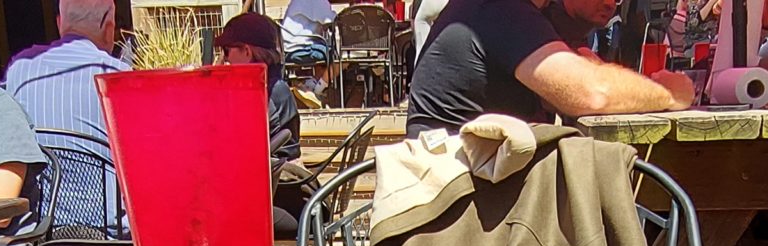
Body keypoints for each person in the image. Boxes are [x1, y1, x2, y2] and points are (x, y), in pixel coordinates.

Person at [405, 0, 692, 136]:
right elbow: (591, 93)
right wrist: (669, 93)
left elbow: (573, 78)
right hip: (455, 215)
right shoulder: (501, 8)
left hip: (471, 193)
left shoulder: (515, 12)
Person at [217, 12, 309, 236]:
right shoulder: (271, 86)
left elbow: (241, 155)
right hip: (281, 196)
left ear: (247, 52)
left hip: (281, 202)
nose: (224, 59)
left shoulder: (265, 94)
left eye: (227, 51)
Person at [4, 0, 126, 155]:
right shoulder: (118, 75)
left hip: (39, 178)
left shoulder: (18, 67)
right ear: (110, 28)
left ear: (59, 23)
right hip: (97, 178)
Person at [281, 0, 335, 95]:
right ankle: (317, 90)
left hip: (288, 48)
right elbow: (330, 20)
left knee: (326, 48)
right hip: (301, 48)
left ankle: (312, 84)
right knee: (340, 55)